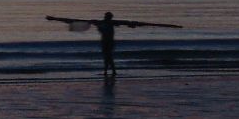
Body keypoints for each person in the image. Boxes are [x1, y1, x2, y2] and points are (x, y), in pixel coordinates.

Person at [46, 12, 181, 79]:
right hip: (106, 42)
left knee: (107, 57)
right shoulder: (103, 23)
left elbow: (132, 23)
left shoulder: (109, 23)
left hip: (108, 42)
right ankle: (110, 71)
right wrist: (55, 19)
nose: (106, 17)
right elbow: (73, 21)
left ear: (108, 17)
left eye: (107, 16)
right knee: (108, 57)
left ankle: (109, 72)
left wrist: (132, 24)